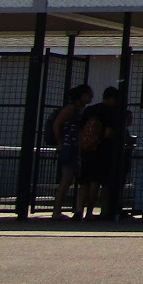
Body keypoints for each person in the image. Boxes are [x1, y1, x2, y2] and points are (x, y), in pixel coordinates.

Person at [77, 87, 129, 220]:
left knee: (84, 181)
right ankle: (90, 212)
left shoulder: (90, 109)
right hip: (102, 150)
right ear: (112, 98)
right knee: (96, 180)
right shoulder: (111, 111)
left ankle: (78, 210)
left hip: (87, 149)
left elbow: (81, 130)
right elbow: (108, 133)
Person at [50, 84, 92, 219]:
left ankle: (64, 210)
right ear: (82, 95)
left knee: (71, 179)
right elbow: (56, 124)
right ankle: (56, 212)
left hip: (74, 148)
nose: (91, 97)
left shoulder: (80, 109)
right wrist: (60, 143)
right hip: (68, 147)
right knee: (66, 179)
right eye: (89, 94)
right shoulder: (70, 108)